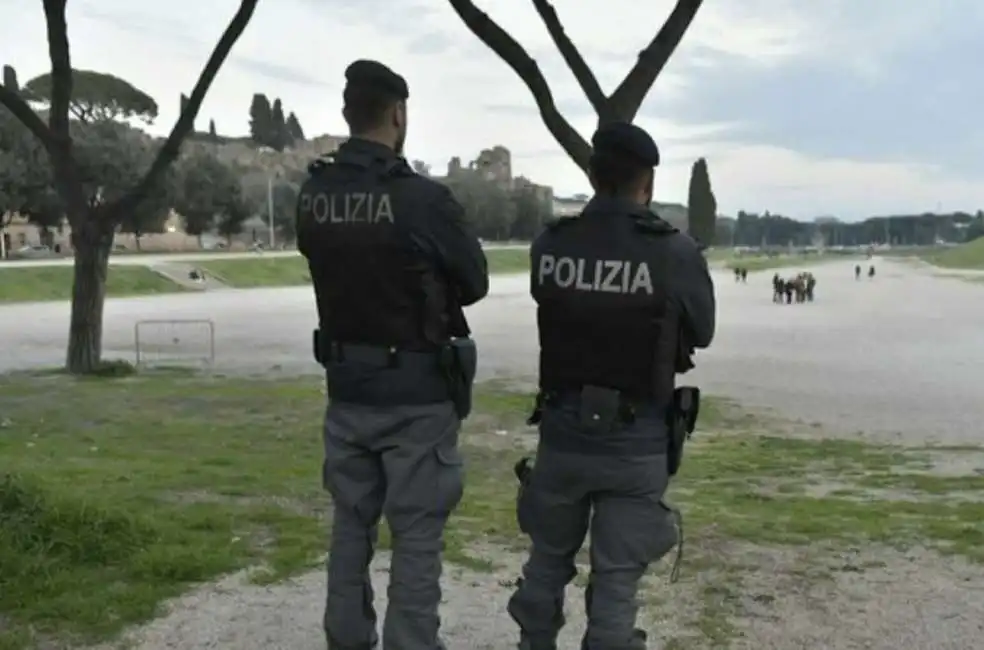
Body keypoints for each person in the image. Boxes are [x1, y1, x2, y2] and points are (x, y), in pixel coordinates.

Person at [296, 59, 490, 650]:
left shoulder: (314, 194)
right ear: (399, 114)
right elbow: (474, 282)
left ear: (346, 114)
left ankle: (347, 637)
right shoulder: (420, 199)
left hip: (347, 385)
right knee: (416, 537)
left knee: (350, 527)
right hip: (417, 392)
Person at [509, 122, 716, 650]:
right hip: (636, 436)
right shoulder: (674, 252)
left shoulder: (551, 244)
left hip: (562, 431)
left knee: (546, 563)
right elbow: (703, 331)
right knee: (617, 583)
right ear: (645, 183)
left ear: (594, 175)